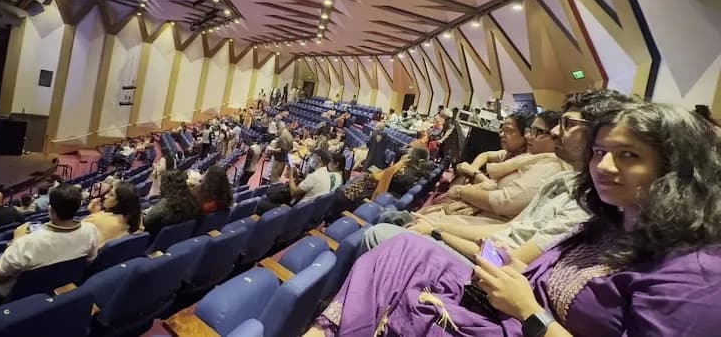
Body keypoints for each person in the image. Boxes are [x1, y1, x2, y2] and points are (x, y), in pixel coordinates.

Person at [308, 102, 721, 337]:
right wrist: (496, 270)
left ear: (675, 168)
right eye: (599, 152)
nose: (605, 166)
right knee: (401, 249)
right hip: (505, 310)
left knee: (388, 242)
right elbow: (522, 258)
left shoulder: (694, 279)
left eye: (628, 155)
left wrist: (530, 312)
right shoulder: (609, 223)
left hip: (521, 325)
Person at [362, 89, 634, 265]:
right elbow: (507, 228)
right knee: (394, 224)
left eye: (568, 124)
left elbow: (509, 246)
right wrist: (434, 227)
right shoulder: (563, 182)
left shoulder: (582, 198)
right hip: (487, 246)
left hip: (490, 265)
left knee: (380, 233)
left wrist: (437, 230)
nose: (553, 134)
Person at [0, 184, 100, 298]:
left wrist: (17, 240)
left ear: (51, 210)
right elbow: (89, 261)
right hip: (57, 283)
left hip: (12, 290)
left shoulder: (27, 242)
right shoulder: (91, 230)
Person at [421, 111, 568, 220]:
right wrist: (472, 169)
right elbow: (486, 156)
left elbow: (503, 199)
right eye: (502, 129)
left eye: (509, 131)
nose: (502, 134)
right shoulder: (517, 157)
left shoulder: (548, 165)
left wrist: (465, 185)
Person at [144, 171, 200, 238]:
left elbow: (146, 222)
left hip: (157, 240)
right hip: (179, 237)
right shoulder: (193, 200)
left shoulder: (165, 205)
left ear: (165, 185)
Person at [84, 182, 142, 247]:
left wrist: (93, 215)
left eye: (111, 195)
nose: (106, 196)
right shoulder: (138, 219)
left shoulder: (96, 219)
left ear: (120, 202)